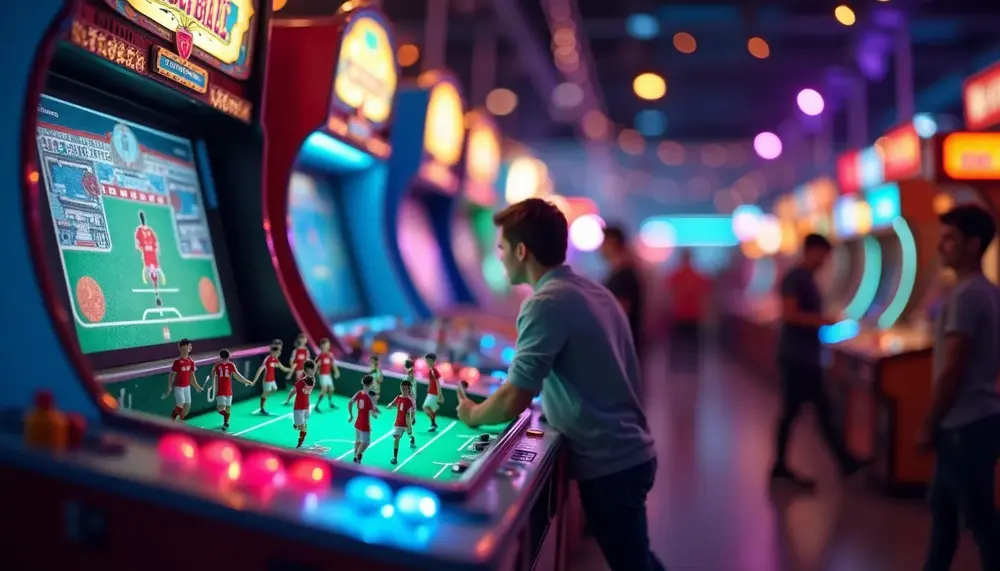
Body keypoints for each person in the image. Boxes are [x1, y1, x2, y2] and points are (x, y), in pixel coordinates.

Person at [455, 198, 662, 571]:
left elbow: (514, 397)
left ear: (521, 251)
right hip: (631, 452)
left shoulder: (545, 303)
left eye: (502, 248)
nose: (499, 256)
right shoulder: (595, 291)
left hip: (611, 462)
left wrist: (472, 413)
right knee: (637, 560)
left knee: (634, 566)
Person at [918, 205, 1000, 571]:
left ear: (973, 243)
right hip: (979, 419)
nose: (941, 247)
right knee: (945, 519)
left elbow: (953, 368)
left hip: (962, 425)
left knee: (980, 522)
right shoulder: (990, 291)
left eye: (949, 239)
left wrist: (928, 423)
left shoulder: (966, 296)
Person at [772, 233, 862, 488]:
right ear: (812, 251)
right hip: (798, 356)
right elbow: (790, 314)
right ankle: (845, 462)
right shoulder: (796, 278)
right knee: (816, 410)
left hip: (802, 354)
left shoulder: (805, 278)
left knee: (807, 411)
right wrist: (825, 322)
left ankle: (843, 461)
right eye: (824, 255)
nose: (825, 261)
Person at [664, 249, 711, 373]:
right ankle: (691, 367)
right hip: (690, 315)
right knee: (691, 344)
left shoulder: (675, 275)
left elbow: (669, 296)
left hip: (681, 314)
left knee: (678, 344)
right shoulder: (698, 276)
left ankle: (676, 366)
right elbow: (705, 298)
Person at [600, 225, 644, 354]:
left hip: (620, 347)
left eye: (604, 242)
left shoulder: (624, 275)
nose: (600, 248)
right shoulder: (620, 273)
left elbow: (620, 313)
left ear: (613, 243)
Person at [209, 349, 254, 430]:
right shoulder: (227, 365)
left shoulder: (219, 365)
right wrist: (247, 381)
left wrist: (213, 384)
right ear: (228, 355)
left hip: (226, 390)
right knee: (222, 408)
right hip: (223, 390)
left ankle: (226, 423)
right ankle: (226, 418)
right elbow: (237, 376)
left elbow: (213, 374)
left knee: (226, 407)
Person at [162, 338, 201, 421]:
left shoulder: (191, 361)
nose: (190, 347)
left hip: (187, 387)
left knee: (188, 405)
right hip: (179, 387)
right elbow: (171, 375)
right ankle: (173, 421)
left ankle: (179, 420)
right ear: (181, 348)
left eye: (191, 346)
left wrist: (197, 386)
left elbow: (192, 376)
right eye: (188, 346)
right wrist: (169, 386)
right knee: (180, 404)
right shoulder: (177, 362)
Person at [348, 374, 380, 464]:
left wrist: (351, 415)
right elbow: (373, 413)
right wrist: (375, 413)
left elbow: (350, 402)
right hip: (365, 422)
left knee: (358, 440)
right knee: (366, 442)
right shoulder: (370, 396)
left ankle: (355, 457)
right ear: (371, 383)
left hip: (358, 420)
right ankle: (359, 454)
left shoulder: (359, 393)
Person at [386, 374, 417, 464]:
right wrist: (390, 406)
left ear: (409, 389)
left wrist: (413, 418)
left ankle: (412, 438)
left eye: (405, 388)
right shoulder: (398, 397)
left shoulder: (410, 401)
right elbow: (392, 403)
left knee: (409, 434)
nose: (403, 389)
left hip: (407, 423)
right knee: (396, 438)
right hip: (398, 422)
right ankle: (395, 457)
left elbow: (413, 410)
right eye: (402, 388)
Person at [252, 344, 290, 415]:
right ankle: (262, 408)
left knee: (275, 389)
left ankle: (263, 397)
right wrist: (254, 380)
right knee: (267, 392)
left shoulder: (276, 359)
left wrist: (291, 370)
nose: (279, 354)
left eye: (279, 353)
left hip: (272, 380)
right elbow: (260, 369)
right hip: (266, 380)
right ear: (273, 352)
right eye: (278, 353)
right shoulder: (267, 359)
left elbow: (283, 368)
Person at [287, 360, 316, 448]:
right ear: (306, 370)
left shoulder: (313, 380)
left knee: (304, 425)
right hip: (298, 407)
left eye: (314, 369)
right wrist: (288, 399)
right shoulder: (300, 383)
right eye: (312, 369)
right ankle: (297, 427)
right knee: (301, 426)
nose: (314, 371)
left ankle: (300, 440)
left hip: (307, 406)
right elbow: (293, 391)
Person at [314, 338, 340, 411]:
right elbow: (315, 364)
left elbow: (333, 364)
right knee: (324, 390)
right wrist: (317, 370)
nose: (328, 346)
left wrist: (336, 371)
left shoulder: (330, 355)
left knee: (331, 389)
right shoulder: (320, 355)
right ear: (322, 346)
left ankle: (331, 403)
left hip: (328, 375)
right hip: (322, 375)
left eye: (329, 345)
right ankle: (317, 405)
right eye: (326, 345)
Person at [422, 352, 443, 431]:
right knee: (431, 409)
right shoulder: (431, 370)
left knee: (425, 407)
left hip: (434, 393)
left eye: (428, 361)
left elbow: (438, 382)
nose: (427, 363)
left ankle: (434, 423)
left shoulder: (434, 371)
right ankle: (433, 424)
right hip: (431, 392)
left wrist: (440, 395)